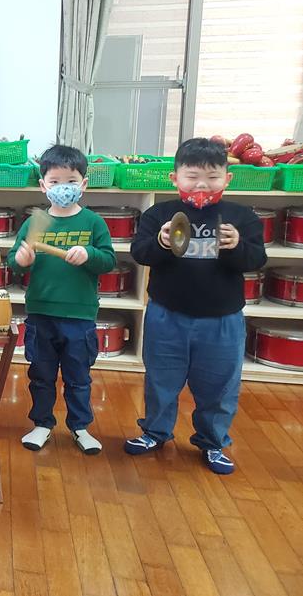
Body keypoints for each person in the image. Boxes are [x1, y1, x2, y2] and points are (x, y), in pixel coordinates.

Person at [125, 137, 266, 474]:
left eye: (212, 177)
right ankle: (155, 432)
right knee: (161, 379)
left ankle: (213, 442)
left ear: (227, 179)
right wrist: (160, 242)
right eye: (192, 176)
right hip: (166, 314)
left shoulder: (242, 217)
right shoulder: (159, 214)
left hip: (222, 319)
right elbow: (140, 253)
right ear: (174, 178)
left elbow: (256, 260)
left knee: (219, 386)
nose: (202, 185)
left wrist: (237, 246)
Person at [8, 145, 116, 454]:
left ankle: (80, 427)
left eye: (71, 181)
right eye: (55, 181)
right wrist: (22, 260)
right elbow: (15, 261)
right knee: (40, 376)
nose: (62, 188)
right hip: (41, 313)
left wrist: (89, 254)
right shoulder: (34, 222)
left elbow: (108, 261)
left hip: (80, 316)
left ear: (83, 184)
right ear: (43, 185)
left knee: (78, 377)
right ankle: (42, 424)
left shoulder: (93, 223)